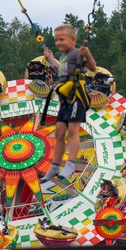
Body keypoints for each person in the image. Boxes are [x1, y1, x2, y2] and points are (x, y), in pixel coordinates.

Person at [41, 24, 97, 181]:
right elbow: (61, 71)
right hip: (65, 98)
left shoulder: (79, 53)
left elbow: (93, 68)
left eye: (61, 39)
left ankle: (71, 164)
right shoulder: (63, 56)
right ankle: (54, 166)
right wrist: (50, 58)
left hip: (77, 96)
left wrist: (88, 54)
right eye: (56, 40)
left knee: (73, 130)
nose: (58, 43)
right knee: (59, 132)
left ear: (73, 39)